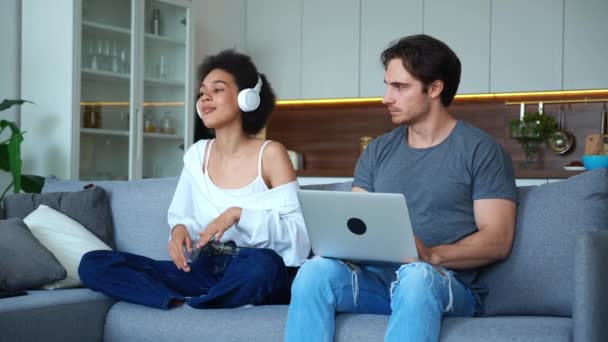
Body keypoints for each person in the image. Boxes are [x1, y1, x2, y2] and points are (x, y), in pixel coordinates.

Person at [285, 34, 518, 341]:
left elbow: (498, 239)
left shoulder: (481, 151)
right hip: (379, 285)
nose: (386, 98)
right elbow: (356, 224)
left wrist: (431, 255)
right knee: (314, 273)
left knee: (416, 276)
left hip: (445, 283)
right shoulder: (377, 151)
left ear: (434, 88)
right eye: (387, 85)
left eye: (399, 87)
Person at [78, 50, 310, 310]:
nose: (205, 97)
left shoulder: (271, 154)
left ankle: (208, 302)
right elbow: (183, 217)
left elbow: (300, 239)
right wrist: (178, 231)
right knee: (92, 263)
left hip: (253, 265)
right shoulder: (197, 154)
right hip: (204, 269)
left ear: (248, 98)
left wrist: (238, 215)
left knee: (263, 266)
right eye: (202, 92)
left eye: (218, 89)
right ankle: (186, 302)